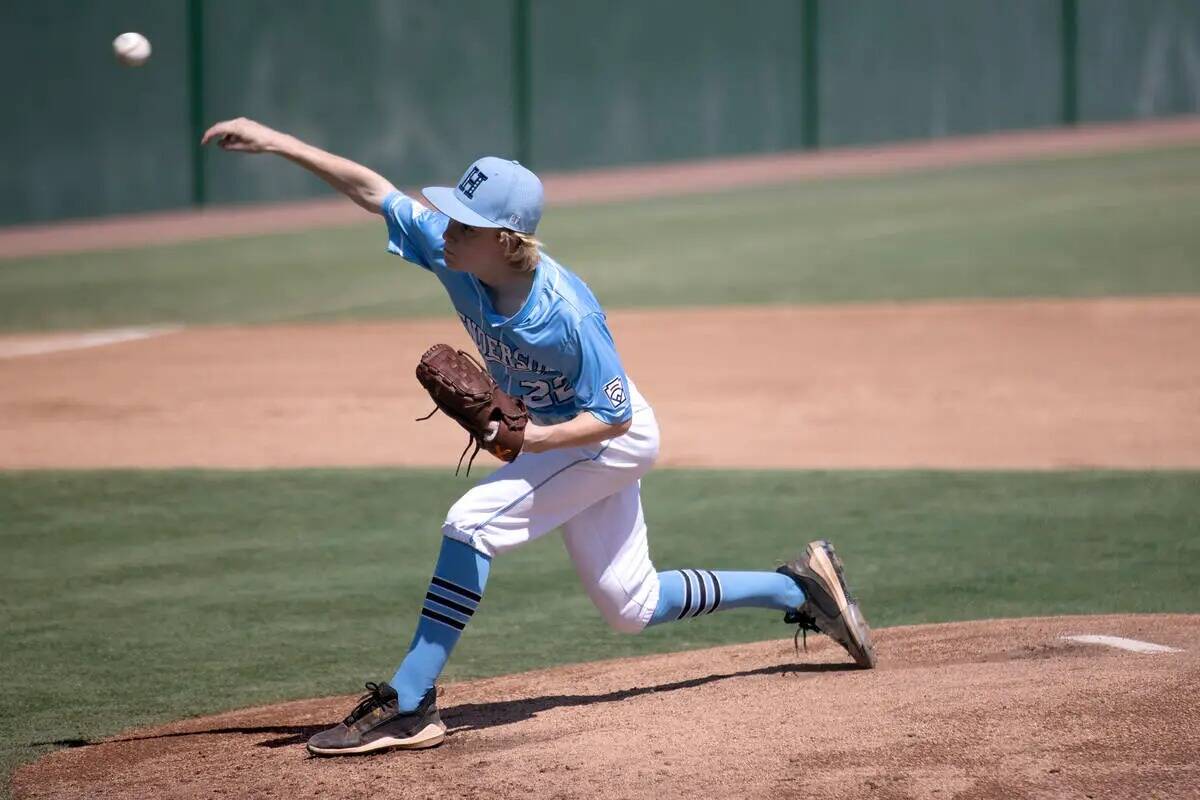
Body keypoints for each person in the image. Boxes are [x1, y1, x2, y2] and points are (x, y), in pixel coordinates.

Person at [201, 118, 877, 757]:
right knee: (630, 606)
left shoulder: (565, 313)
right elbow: (374, 191)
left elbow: (615, 418)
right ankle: (797, 589)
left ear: (503, 240)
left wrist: (529, 440)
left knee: (471, 523)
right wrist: (277, 142)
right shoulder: (455, 258)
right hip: (573, 435)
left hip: (606, 437)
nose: (446, 229)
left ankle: (410, 702)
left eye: (464, 223)